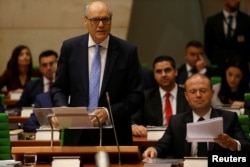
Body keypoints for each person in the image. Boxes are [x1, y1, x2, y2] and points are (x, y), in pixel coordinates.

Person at [51, 1, 144, 145]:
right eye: (95, 20)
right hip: (77, 134)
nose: (101, 25)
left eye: (105, 19)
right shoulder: (70, 48)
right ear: (85, 21)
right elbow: (59, 88)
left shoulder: (127, 51)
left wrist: (108, 113)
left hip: (114, 135)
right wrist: (63, 110)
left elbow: (136, 96)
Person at [143, 74, 250, 159]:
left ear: (212, 92)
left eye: (203, 91)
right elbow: (163, 145)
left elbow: (246, 145)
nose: (198, 95)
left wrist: (233, 144)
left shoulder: (229, 118)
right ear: (186, 96)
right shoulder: (176, 121)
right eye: (193, 91)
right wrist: (153, 150)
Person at [132, 55, 191, 137]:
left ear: (176, 72)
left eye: (167, 70)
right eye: (159, 71)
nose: (163, 75)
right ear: (154, 75)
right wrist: (134, 127)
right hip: (153, 144)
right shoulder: (145, 97)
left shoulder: (188, 95)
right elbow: (132, 120)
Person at [204, 0, 250, 73]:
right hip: (219, 66)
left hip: (240, 67)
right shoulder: (212, 21)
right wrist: (216, 60)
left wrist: (243, 60)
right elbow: (208, 46)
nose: (237, 1)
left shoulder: (247, 20)